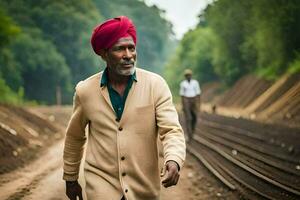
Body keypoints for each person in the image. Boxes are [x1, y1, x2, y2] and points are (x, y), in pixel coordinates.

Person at [63, 16, 186, 200]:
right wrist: (70, 178)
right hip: (101, 185)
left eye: (131, 48)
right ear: (104, 54)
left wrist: (173, 159)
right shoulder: (85, 91)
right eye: (120, 49)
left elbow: (171, 130)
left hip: (143, 187)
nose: (128, 55)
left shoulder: (155, 85)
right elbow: (75, 137)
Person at [179, 69, 201, 142]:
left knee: (195, 117)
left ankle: (193, 130)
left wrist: (198, 104)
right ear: (185, 76)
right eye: (187, 75)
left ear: (191, 76)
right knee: (188, 118)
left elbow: (198, 94)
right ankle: (189, 135)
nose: (188, 76)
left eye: (189, 75)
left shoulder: (195, 83)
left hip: (193, 100)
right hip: (186, 101)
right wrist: (183, 105)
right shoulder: (183, 84)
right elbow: (182, 95)